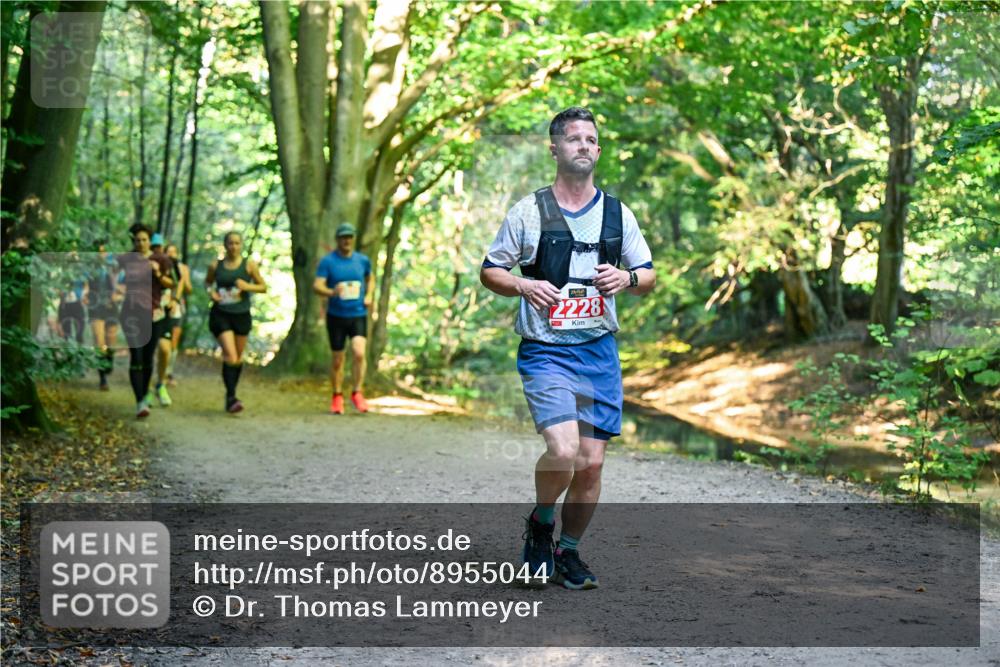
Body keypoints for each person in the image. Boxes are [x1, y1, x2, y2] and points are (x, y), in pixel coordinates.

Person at [480, 107, 655, 590]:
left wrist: (628, 277)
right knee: (564, 448)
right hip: (545, 350)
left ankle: (569, 551)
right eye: (573, 138)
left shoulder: (619, 213)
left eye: (591, 139)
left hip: (598, 350)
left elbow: (648, 274)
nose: (583, 145)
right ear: (554, 148)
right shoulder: (528, 212)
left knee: (592, 463)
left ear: (598, 150)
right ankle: (540, 523)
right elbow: (491, 269)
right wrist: (523, 287)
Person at [313, 223, 374, 414]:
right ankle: (337, 395)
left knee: (359, 353)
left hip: (358, 314)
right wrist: (332, 292)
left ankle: (357, 392)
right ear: (337, 240)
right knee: (338, 359)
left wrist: (369, 295)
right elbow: (317, 286)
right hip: (336, 316)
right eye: (343, 237)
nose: (346, 241)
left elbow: (370, 279)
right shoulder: (328, 262)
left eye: (350, 237)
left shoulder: (362, 261)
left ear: (354, 239)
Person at [205, 231, 267, 413]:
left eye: (237, 243)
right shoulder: (216, 265)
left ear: (241, 245)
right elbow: (208, 283)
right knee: (230, 355)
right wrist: (212, 293)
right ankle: (232, 397)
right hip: (221, 314)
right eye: (230, 243)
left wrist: (247, 286)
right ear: (225, 245)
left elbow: (263, 287)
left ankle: (230, 395)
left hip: (241, 315)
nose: (234, 246)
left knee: (237, 359)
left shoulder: (249, 265)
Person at [117, 224, 174, 418]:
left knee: (148, 358)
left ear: (150, 241)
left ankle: (146, 394)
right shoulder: (126, 259)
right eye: (137, 240)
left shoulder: (161, 259)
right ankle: (140, 401)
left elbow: (171, 284)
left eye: (144, 240)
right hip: (131, 314)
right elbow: (112, 275)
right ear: (133, 241)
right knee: (137, 357)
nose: (141, 243)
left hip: (154, 314)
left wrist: (157, 272)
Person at [85, 240, 121, 390]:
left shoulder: (115, 267)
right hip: (96, 307)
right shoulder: (90, 268)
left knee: (110, 343)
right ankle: (103, 379)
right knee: (99, 343)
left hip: (111, 307)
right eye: (98, 251)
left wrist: (118, 295)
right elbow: (86, 286)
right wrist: (86, 296)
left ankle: (109, 361)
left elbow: (123, 286)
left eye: (103, 251)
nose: (101, 254)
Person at [147, 233, 175, 406]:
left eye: (159, 247)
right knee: (148, 353)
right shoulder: (143, 261)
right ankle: (147, 389)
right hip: (149, 312)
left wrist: (174, 300)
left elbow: (173, 284)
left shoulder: (168, 263)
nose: (157, 250)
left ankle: (161, 384)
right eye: (154, 247)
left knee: (165, 350)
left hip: (164, 312)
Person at [163, 242, 192, 387]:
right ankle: (160, 371)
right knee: (163, 342)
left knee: (174, 342)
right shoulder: (160, 267)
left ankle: (169, 372)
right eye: (168, 251)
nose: (171, 254)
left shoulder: (183, 268)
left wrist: (182, 278)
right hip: (162, 307)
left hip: (178, 308)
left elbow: (189, 289)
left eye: (173, 252)